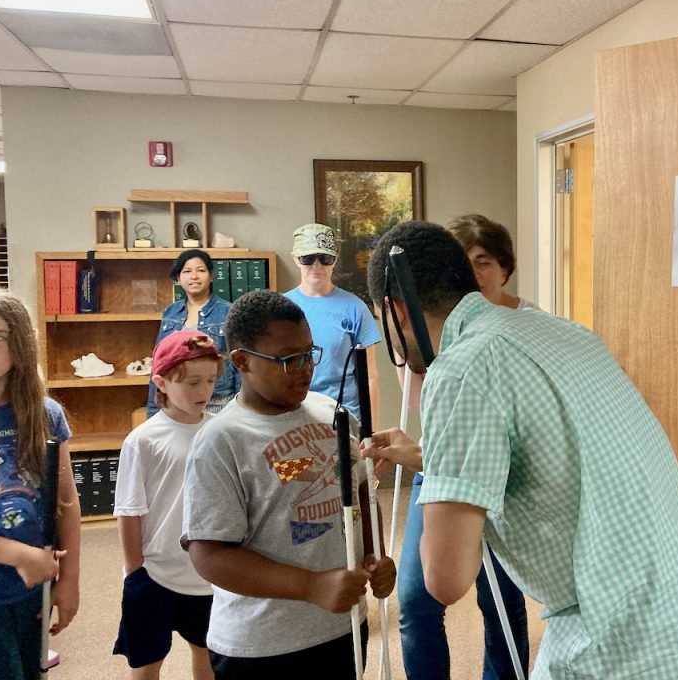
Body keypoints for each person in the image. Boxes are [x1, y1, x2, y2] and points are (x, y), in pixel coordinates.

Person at [364, 222, 678, 679]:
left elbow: (445, 580)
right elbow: (552, 453)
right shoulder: (563, 333)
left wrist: (438, 492)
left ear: (396, 311)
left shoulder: (462, 368)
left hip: (620, 646)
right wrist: (433, 456)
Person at [182, 289, 395, 679]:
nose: (304, 368)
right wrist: (311, 585)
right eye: (287, 359)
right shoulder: (221, 441)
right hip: (262, 646)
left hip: (341, 626)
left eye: (308, 353)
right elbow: (209, 553)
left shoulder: (331, 413)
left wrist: (374, 552)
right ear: (242, 362)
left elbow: (361, 488)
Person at [393, 214, 534, 680]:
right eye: (464, 263)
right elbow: (428, 415)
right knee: (414, 598)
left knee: (500, 597)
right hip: (436, 467)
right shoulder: (425, 335)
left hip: (503, 479)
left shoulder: (530, 325)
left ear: (505, 268)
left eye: (484, 262)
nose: (474, 274)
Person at [113, 330, 222, 680]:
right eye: (191, 382)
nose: (203, 391)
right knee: (146, 663)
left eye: (209, 381)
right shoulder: (143, 440)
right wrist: (135, 570)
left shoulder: (219, 432)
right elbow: (129, 511)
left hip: (207, 575)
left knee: (208, 655)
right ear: (160, 383)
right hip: (154, 575)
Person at [0, 290, 81, 679]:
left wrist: (70, 580)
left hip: (32, 588)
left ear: (20, 342)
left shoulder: (46, 414)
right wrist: (20, 556)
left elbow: (66, 501)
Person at [284, 223, 381, 427]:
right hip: (295, 416)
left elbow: (370, 376)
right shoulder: (281, 308)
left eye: (325, 259)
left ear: (334, 261)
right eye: (308, 258)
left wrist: (371, 431)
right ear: (295, 259)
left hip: (345, 418)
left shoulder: (355, 308)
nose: (317, 266)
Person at [147, 250, 237, 416]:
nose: (194, 276)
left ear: (211, 276)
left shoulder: (229, 312)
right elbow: (159, 363)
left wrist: (241, 411)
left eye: (201, 270)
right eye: (187, 271)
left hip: (219, 403)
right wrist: (153, 411)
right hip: (176, 404)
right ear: (178, 278)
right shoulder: (170, 313)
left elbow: (239, 363)